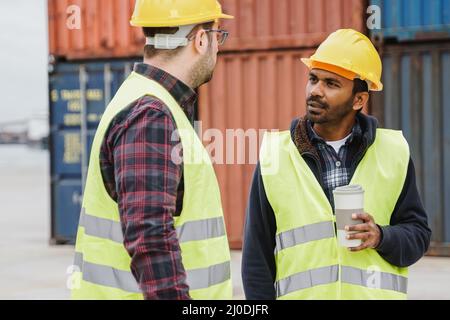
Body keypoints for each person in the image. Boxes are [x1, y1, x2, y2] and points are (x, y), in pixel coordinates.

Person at [242, 29, 431, 300]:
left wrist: (380, 236)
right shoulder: (275, 155)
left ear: (359, 99)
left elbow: (418, 235)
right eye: (313, 79)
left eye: (331, 84)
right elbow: (256, 258)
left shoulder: (393, 152)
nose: (315, 91)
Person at [71, 0, 234, 300]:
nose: (217, 48)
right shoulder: (151, 114)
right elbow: (149, 238)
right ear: (200, 40)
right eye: (217, 36)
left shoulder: (143, 99)